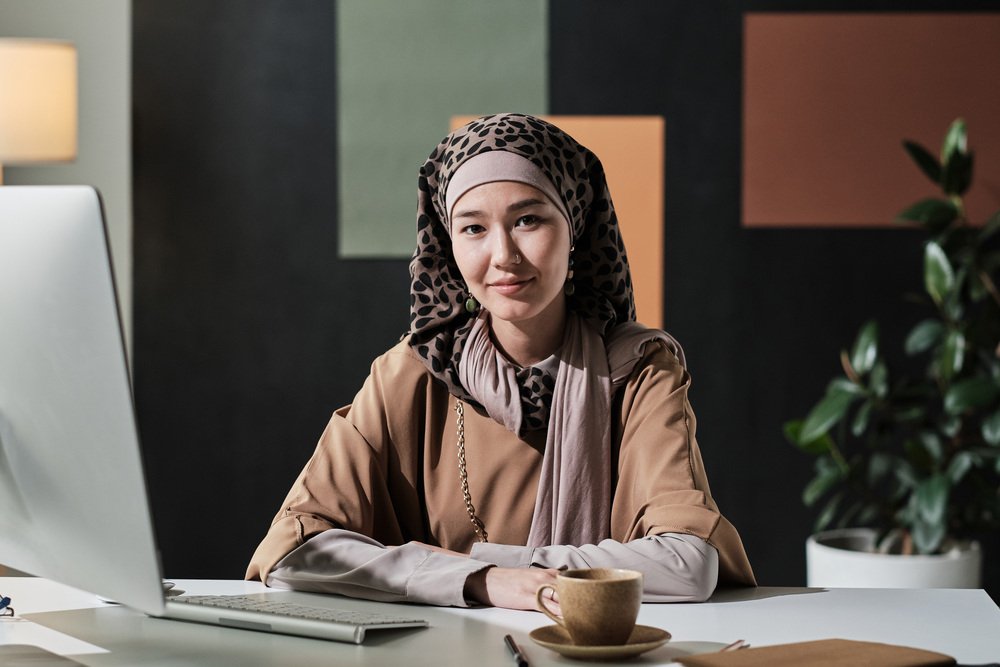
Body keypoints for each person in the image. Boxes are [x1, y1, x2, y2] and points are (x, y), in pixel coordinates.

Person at [246, 113, 755, 611]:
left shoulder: (640, 369)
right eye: (473, 228)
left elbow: (688, 562)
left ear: (575, 228)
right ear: (449, 245)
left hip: (598, 649)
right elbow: (293, 550)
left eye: (528, 220)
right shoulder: (411, 374)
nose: (503, 254)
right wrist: (484, 582)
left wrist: (498, 568)